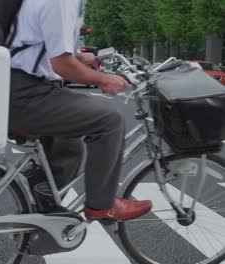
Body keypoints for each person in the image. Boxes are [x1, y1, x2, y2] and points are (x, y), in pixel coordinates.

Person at [8, 0, 152, 221]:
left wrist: (79, 56)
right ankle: (102, 205)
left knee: (70, 142)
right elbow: (61, 65)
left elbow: (39, 43)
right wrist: (103, 79)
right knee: (109, 120)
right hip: (28, 92)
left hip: (16, 88)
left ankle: (43, 201)